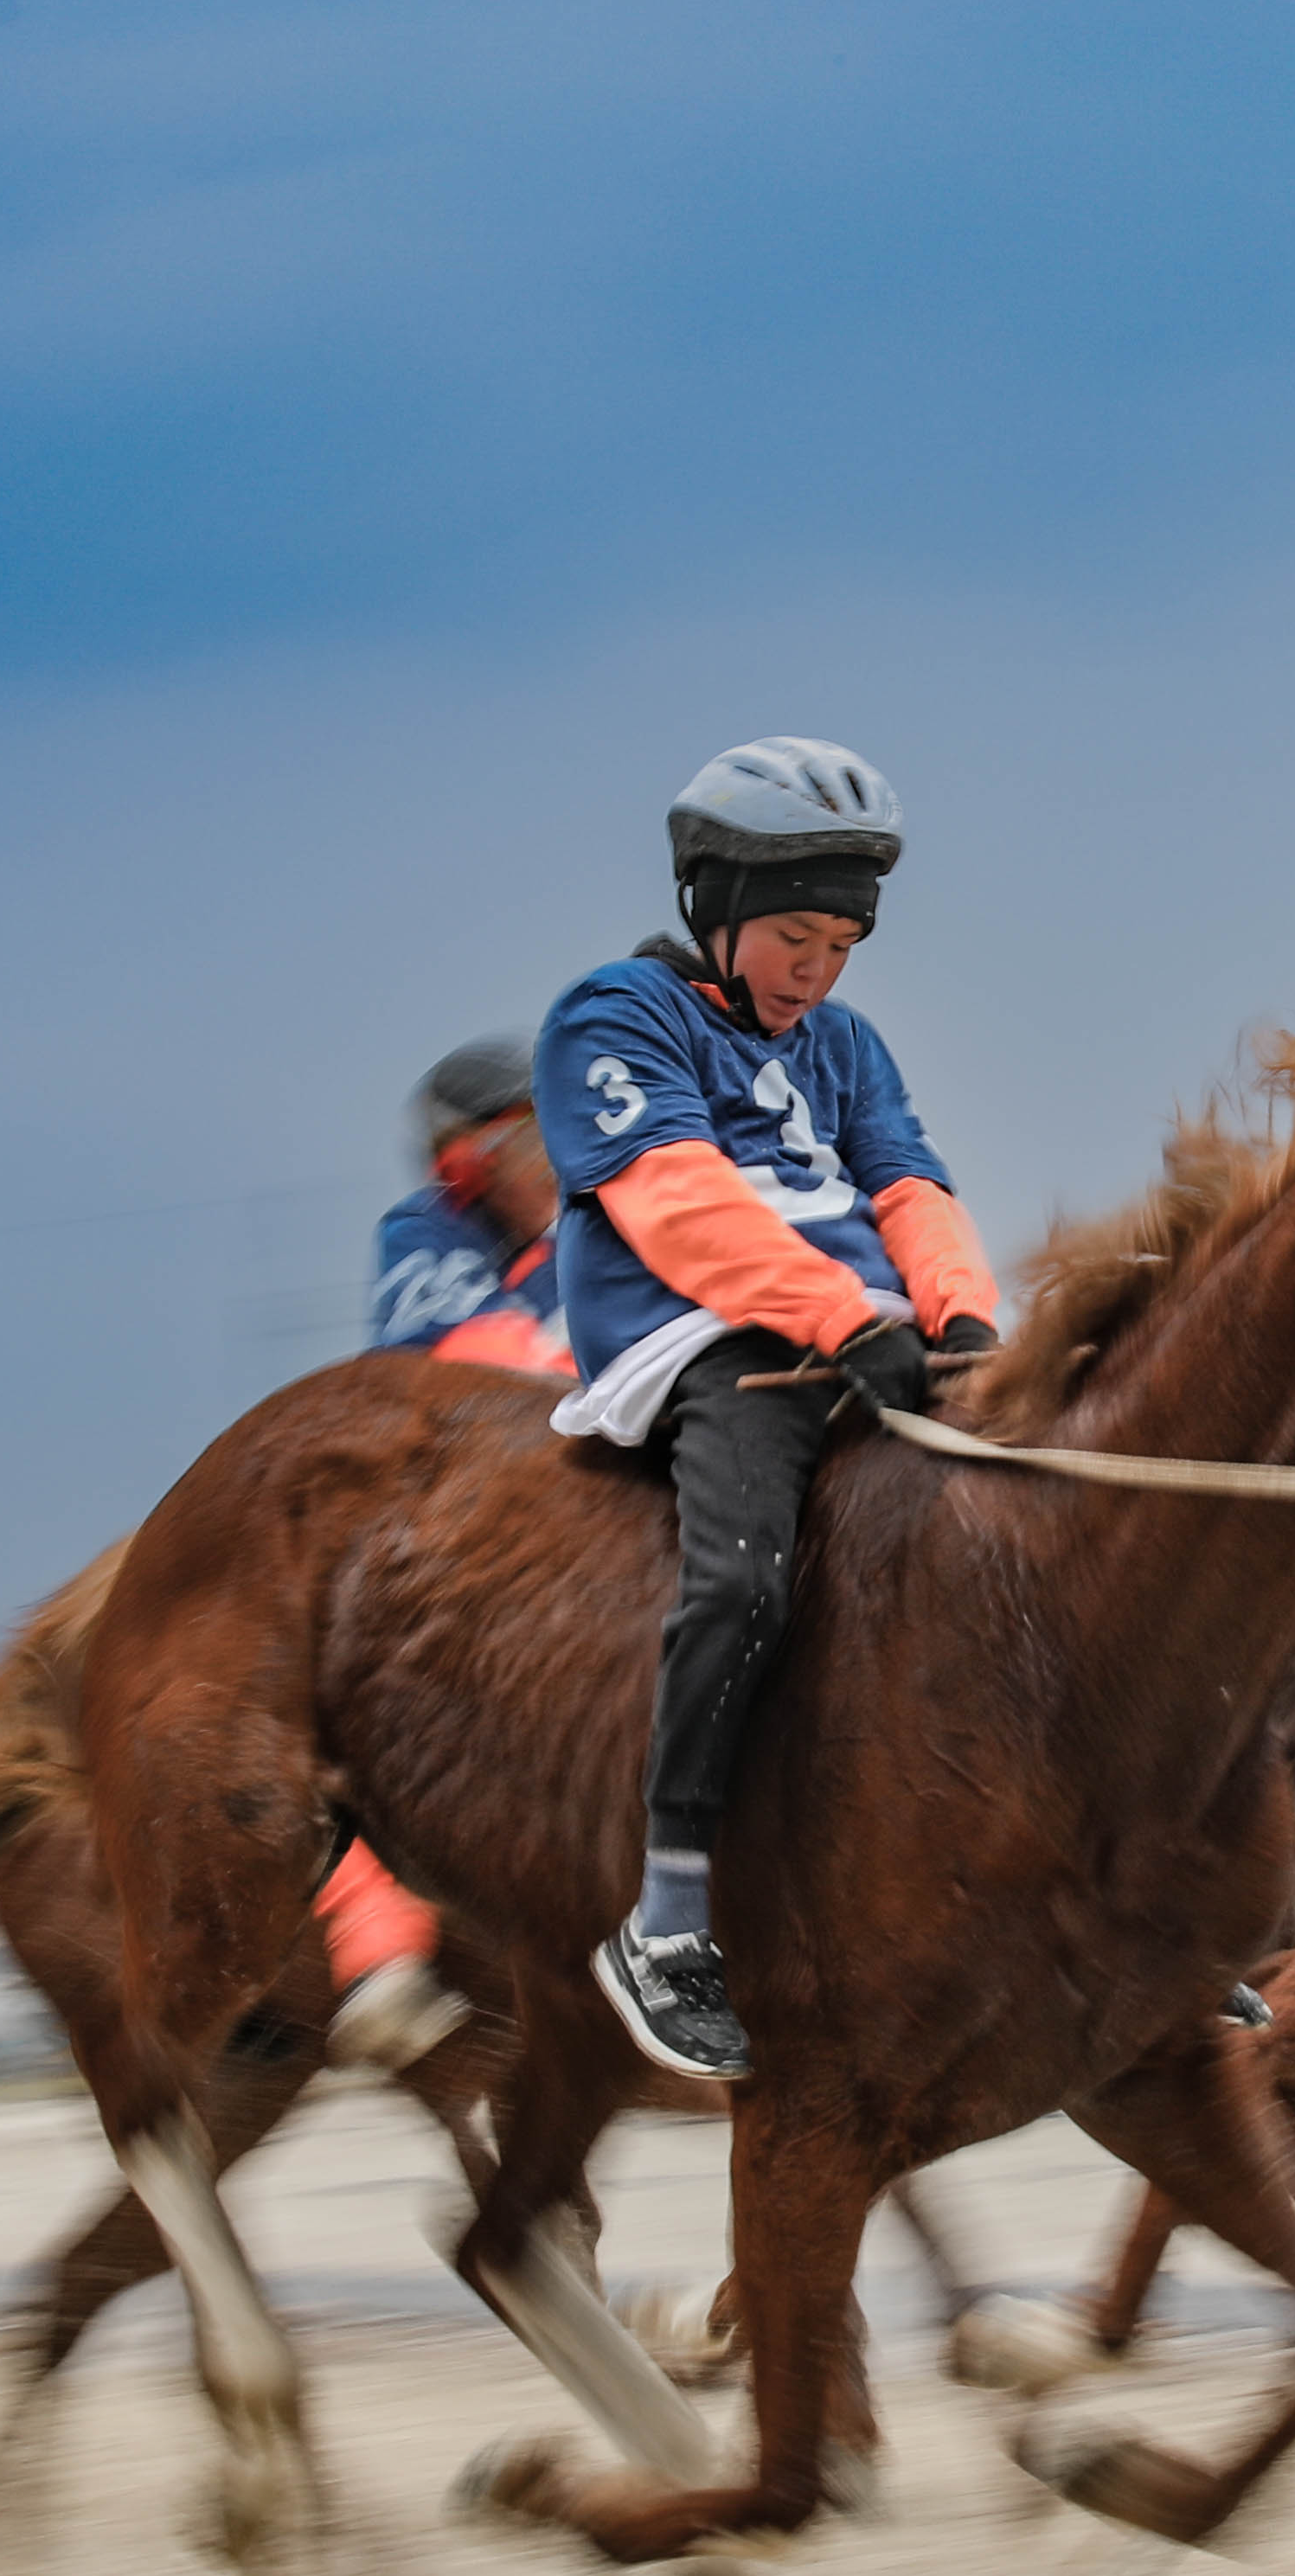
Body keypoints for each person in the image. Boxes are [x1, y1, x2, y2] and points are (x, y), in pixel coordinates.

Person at [535, 738, 1003, 2081]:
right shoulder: (613, 1016)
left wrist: (960, 1316)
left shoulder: (845, 1046)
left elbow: (908, 1182)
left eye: (842, 946)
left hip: (862, 1335)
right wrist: (845, 1319)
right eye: (796, 936)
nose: (818, 970)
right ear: (715, 903)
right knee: (742, 1585)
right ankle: (669, 1917)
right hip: (705, 1337)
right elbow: (677, 1205)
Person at [311, 1035, 579, 2067]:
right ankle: (379, 1954)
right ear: (467, 1159)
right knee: (386, 1708)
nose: (559, 1152)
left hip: (576, 1499)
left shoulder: (584, 1231)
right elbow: (483, 1362)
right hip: (449, 1516)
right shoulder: (422, 1232)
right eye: (533, 1133)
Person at [367, 1034, 574, 1380]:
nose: (553, 1160)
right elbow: (467, 1362)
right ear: (465, 1167)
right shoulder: (426, 1227)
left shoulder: (596, 1219)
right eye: (530, 1136)